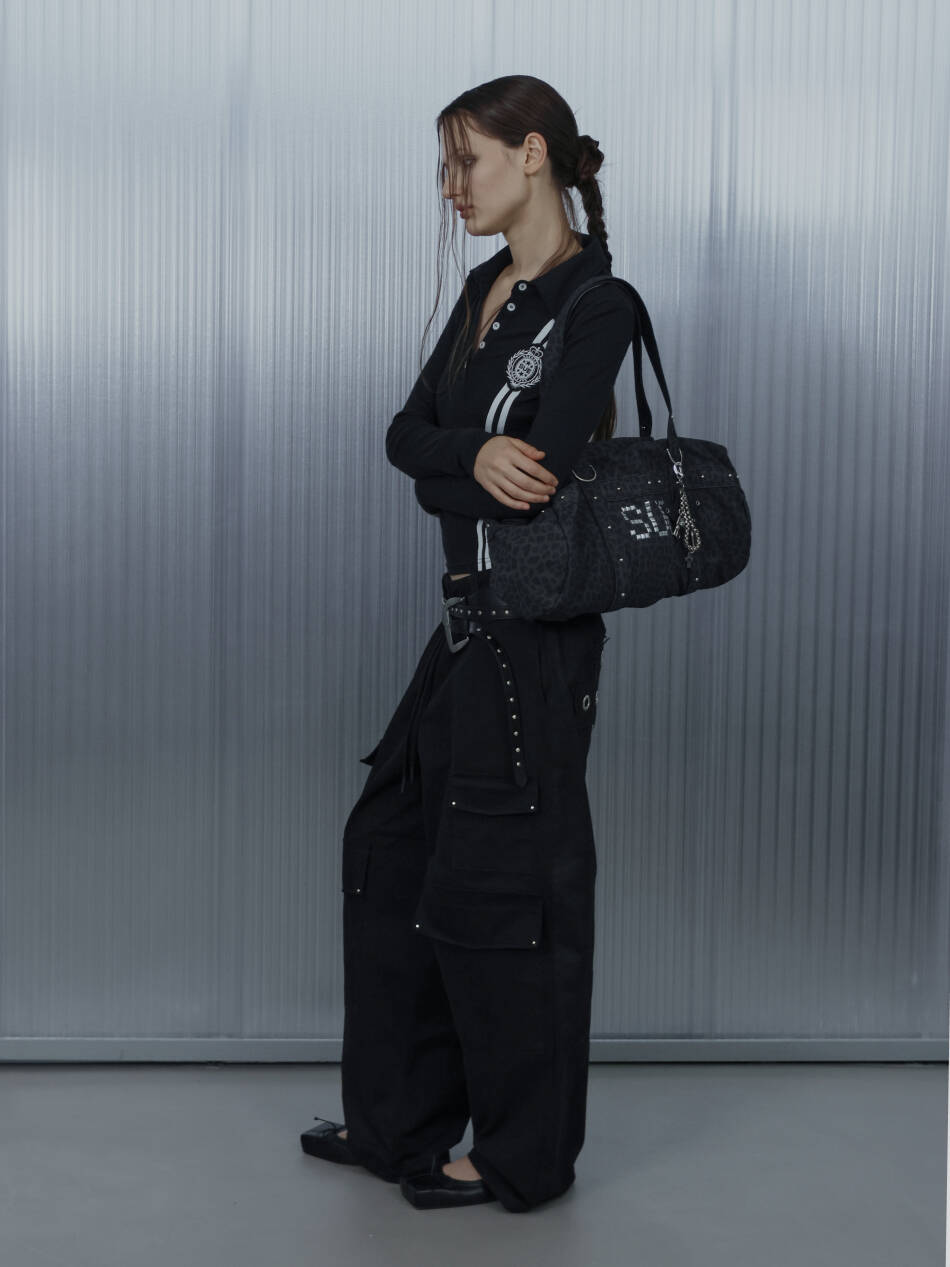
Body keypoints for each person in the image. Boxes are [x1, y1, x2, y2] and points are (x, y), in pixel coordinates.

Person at [299, 74, 636, 1212]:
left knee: (511, 893)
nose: (452, 187)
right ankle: (396, 1119)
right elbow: (406, 437)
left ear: (531, 154)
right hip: (463, 629)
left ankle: (521, 1155)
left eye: (467, 162)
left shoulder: (598, 302)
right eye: (445, 167)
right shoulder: (484, 288)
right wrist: (463, 458)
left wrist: (464, 465)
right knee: (393, 851)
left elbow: (533, 476)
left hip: (532, 641)